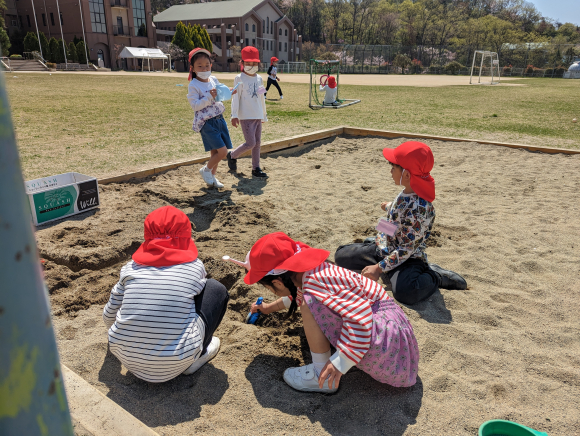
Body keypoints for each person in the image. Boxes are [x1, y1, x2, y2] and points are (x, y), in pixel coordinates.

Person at [243, 232, 419, 393]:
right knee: (309, 301)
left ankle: (320, 375)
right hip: (390, 327)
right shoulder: (311, 272)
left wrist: (340, 363)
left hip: (386, 344)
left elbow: (360, 320)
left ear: (278, 283)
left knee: (308, 303)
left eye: (269, 287)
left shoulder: (314, 285)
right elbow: (294, 296)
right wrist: (267, 308)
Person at [103, 205, 229, 383]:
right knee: (215, 289)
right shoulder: (194, 266)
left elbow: (109, 314)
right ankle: (199, 355)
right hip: (178, 360)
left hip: (124, 354)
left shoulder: (130, 268)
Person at [334, 141, 467, 306]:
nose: (390, 171)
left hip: (407, 257)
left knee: (406, 292)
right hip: (386, 246)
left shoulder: (421, 209)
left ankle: (434, 275)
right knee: (341, 256)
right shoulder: (406, 192)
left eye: (394, 167)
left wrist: (379, 268)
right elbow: (399, 212)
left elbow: (407, 249)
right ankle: (377, 248)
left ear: (407, 174)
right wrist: (389, 206)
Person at [186, 47, 236, 189]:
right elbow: (195, 105)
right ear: (193, 68)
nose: (204, 68)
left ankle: (212, 178)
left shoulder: (213, 79)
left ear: (211, 65)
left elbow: (220, 95)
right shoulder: (194, 85)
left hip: (219, 119)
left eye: (207, 65)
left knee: (215, 152)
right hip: (207, 123)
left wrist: (230, 91)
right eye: (200, 66)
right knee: (223, 152)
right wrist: (209, 96)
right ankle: (206, 170)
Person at [227, 46, 269, 178]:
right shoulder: (239, 78)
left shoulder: (260, 79)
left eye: (254, 63)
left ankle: (256, 168)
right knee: (251, 143)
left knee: (257, 143)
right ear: (242, 63)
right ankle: (232, 155)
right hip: (245, 116)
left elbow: (262, 97)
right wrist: (234, 115)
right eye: (248, 63)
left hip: (257, 115)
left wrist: (264, 114)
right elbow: (236, 97)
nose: (251, 65)